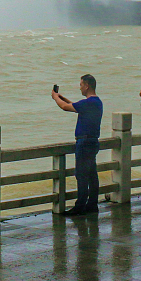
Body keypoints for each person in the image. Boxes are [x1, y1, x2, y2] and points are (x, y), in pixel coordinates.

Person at [52, 74, 103, 216]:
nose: (80, 87)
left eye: (81, 85)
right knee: (92, 174)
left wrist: (55, 97)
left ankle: (80, 206)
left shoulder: (88, 103)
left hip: (84, 142)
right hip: (93, 142)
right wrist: (61, 97)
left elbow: (64, 107)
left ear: (87, 86)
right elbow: (74, 105)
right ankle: (92, 204)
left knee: (81, 175)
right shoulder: (97, 102)